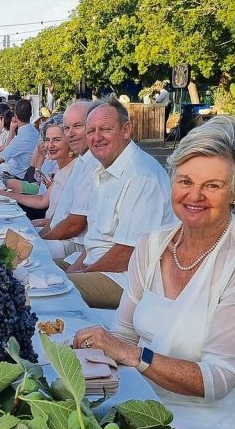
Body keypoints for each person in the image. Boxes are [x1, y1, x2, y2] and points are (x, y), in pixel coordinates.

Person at [74, 117, 235, 429]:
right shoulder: (152, 245)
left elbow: (217, 380)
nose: (194, 196)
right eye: (185, 181)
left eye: (212, 186)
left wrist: (133, 355)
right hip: (144, 399)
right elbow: (122, 333)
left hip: (204, 427)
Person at [65, 96, 173, 308]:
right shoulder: (102, 171)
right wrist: (72, 272)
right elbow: (94, 242)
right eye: (91, 131)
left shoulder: (141, 176)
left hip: (125, 280)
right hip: (98, 267)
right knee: (33, 271)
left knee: (46, 291)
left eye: (105, 129)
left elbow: (126, 254)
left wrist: (75, 277)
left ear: (126, 130)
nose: (97, 137)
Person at [39, 101, 100, 259]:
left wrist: (39, 242)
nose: (71, 133)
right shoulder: (82, 160)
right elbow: (57, 216)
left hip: (73, 245)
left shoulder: (94, 163)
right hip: (61, 239)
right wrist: (39, 238)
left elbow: (75, 224)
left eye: (78, 126)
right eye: (66, 128)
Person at [0, 119, 77, 215]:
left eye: (56, 140)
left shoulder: (75, 169)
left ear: (69, 142)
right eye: (47, 140)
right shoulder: (61, 169)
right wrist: (5, 194)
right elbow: (43, 200)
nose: (50, 145)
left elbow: (71, 222)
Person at [0, 99, 40, 177]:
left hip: (14, 176)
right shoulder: (35, 132)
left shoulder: (21, 138)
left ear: (15, 116)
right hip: (19, 172)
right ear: (31, 115)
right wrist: (12, 129)